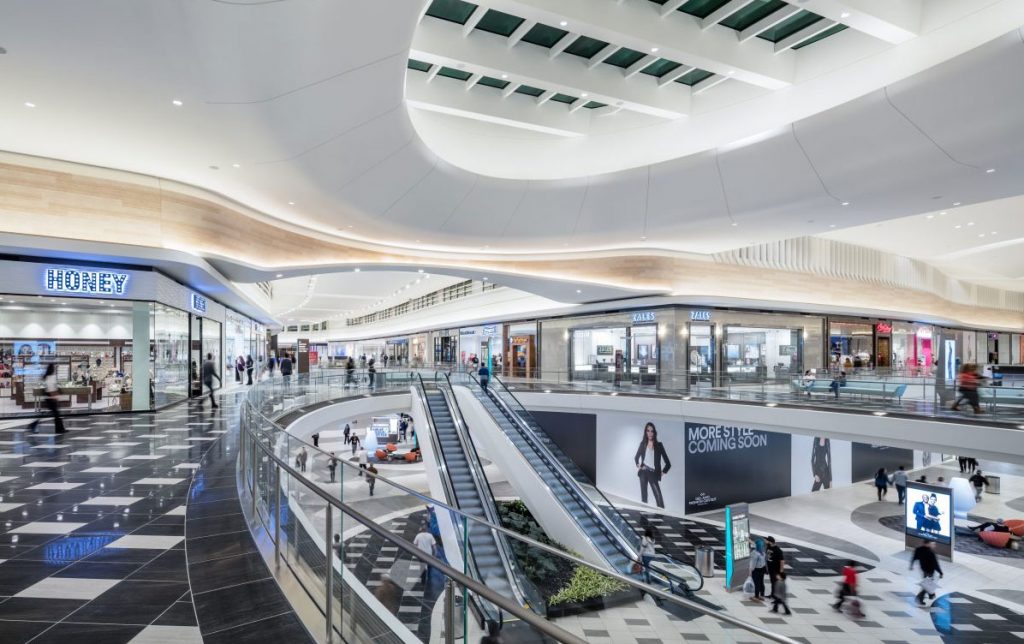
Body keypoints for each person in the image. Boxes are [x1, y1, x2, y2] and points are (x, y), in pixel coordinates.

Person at [633, 422, 671, 509]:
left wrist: (661, 472)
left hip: (653, 473)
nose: (650, 433)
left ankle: (661, 515)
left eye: (652, 431)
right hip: (643, 472)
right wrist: (639, 466)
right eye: (648, 431)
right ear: (645, 432)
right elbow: (636, 458)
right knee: (644, 497)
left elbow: (668, 463)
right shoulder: (643, 444)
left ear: (654, 432)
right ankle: (644, 515)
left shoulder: (659, 445)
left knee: (658, 498)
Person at [29, 363, 66, 434]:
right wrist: (55, 397)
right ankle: (59, 429)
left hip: (48, 398)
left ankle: (33, 425)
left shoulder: (46, 377)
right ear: (52, 369)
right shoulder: (51, 377)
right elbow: (51, 388)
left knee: (52, 414)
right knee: (56, 414)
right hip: (51, 399)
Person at [910, 540, 943, 607]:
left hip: (923, 569)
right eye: (933, 544)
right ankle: (921, 597)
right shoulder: (931, 552)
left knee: (927, 583)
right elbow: (935, 564)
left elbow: (914, 557)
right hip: (929, 571)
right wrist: (940, 572)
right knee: (927, 585)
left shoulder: (919, 549)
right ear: (928, 544)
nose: (934, 545)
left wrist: (911, 565)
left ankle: (931, 595)